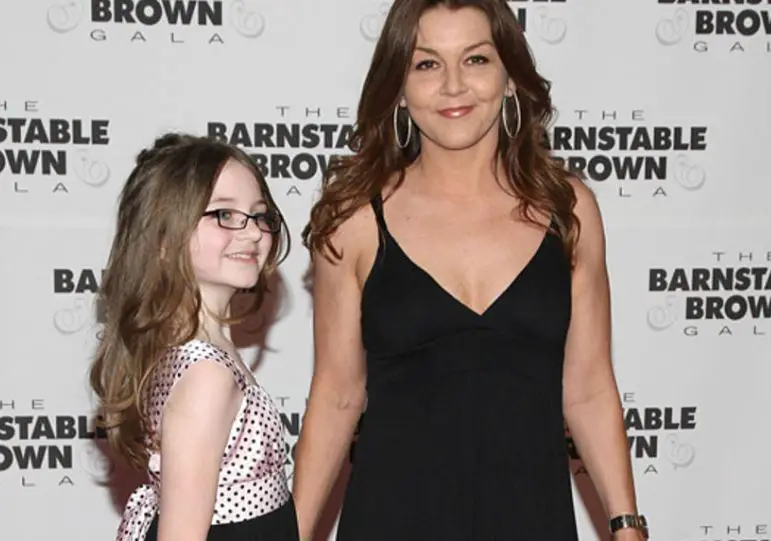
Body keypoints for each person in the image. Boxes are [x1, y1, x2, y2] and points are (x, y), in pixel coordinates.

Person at [292, 1, 648, 540]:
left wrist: (626, 525)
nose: (454, 86)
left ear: (509, 78)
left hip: (532, 519)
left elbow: (589, 387)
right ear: (400, 86)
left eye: (476, 60)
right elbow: (338, 394)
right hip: (392, 520)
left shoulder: (567, 208)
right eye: (427, 64)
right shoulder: (358, 218)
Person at [89, 133, 299, 541]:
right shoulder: (206, 374)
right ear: (164, 240)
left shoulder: (195, 350)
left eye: (259, 215)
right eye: (224, 214)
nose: (253, 232)